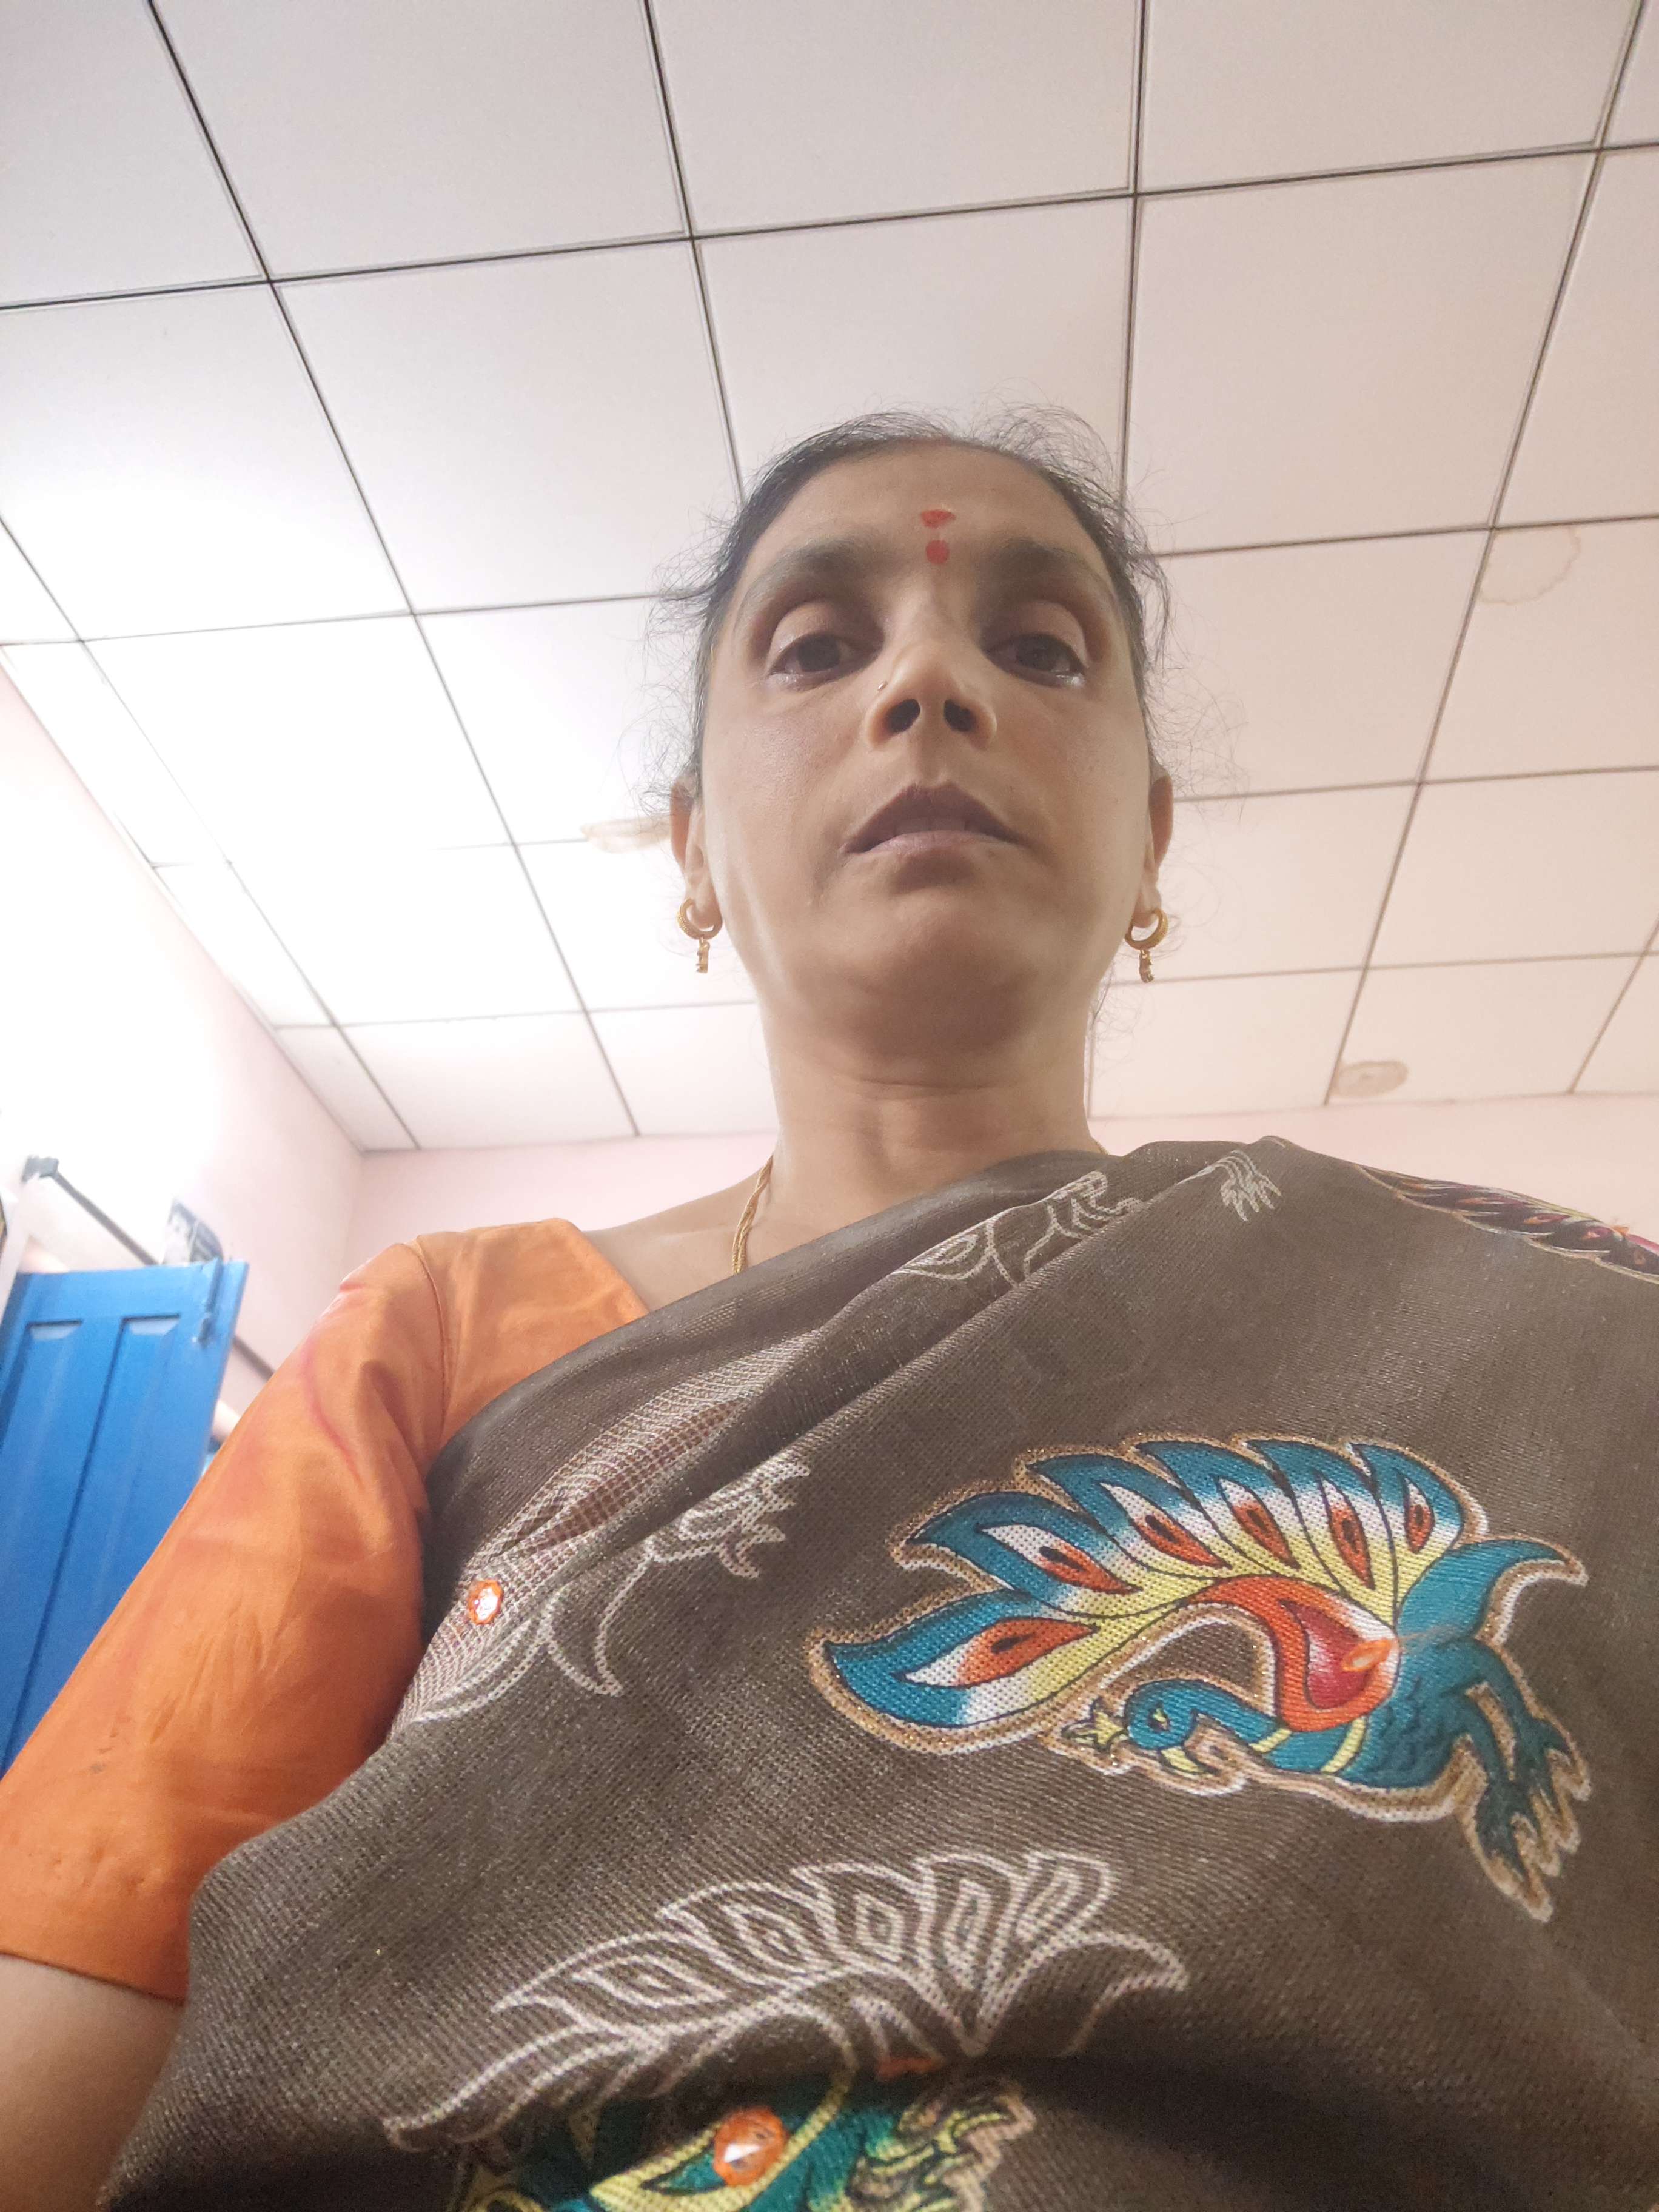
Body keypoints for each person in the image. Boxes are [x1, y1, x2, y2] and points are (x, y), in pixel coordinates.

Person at [0, 412, 1654, 2212]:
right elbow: (69, 2032)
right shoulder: (446, 1332)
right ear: (695, 850)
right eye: (816, 647)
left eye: (1041, 648)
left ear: (1152, 841)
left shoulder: (1505, 1339)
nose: (930, 682)